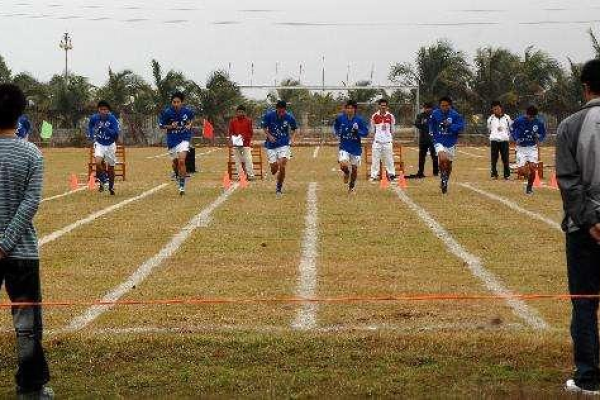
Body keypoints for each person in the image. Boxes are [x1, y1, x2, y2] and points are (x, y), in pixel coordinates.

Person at [0, 84, 53, 399]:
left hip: (10, 248)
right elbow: (30, 203)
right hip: (22, 253)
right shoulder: (32, 153)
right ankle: (30, 388)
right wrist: (6, 243)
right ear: (20, 113)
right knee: (27, 324)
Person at [556, 58, 600, 396]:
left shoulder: (571, 125)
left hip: (583, 230)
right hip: (588, 225)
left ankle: (587, 377)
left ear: (585, 86)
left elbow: (569, 181)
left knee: (585, 301)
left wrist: (590, 220)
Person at [159, 92, 195, 195]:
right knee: (175, 163)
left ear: (182, 102)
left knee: (182, 161)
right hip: (172, 140)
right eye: (174, 102)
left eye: (178, 102)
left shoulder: (187, 111)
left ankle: (182, 187)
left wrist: (189, 125)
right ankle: (176, 173)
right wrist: (171, 126)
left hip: (184, 138)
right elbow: (161, 125)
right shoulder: (167, 112)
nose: (176, 104)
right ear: (171, 102)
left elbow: (192, 119)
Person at [261, 100, 298, 197]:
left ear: (285, 109)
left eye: (283, 111)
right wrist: (269, 136)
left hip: (284, 143)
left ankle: (279, 188)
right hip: (271, 145)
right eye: (280, 110)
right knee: (274, 170)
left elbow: (295, 129)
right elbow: (264, 127)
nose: (282, 113)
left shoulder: (289, 116)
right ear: (276, 109)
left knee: (283, 164)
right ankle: (274, 165)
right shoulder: (269, 115)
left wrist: (292, 139)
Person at [430, 96, 465, 194]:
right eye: (442, 106)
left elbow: (461, 126)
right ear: (439, 105)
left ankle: (444, 181)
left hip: (450, 142)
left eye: (446, 106)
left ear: (450, 106)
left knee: (449, 164)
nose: (444, 107)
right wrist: (431, 133)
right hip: (438, 140)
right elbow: (431, 125)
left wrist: (450, 126)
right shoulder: (435, 113)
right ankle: (443, 176)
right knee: (442, 158)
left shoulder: (455, 115)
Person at [333, 100, 369, 193]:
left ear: (355, 109)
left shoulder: (359, 120)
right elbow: (336, 126)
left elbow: (366, 132)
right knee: (343, 163)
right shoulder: (341, 118)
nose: (349, 110)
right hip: (344, 146)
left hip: (356, 148)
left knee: (355, 168)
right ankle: (346, 173)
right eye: (348, 108)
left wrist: (357, 131)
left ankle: (351, 187)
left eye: (352, 108)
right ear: (345, 109)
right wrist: (337, 133)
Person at [512, 105, 546, 195]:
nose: (531, 119)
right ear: (526, 114)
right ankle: (525, 174)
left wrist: (539, 136)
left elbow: (543, 134)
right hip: (521, 149)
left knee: (533, 167)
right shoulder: (518, 121)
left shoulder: (539, 122)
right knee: (521, 171)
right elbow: (512, 129)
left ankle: (529, 187)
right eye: (529, 116)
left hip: (532, 148)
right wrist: (516, 138)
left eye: (533, 117)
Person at [87, 101, 120, 195]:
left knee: (111, 167)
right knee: (97, 162)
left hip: (110, 144)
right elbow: (90, 125)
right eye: (101, 109)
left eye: (105, 109)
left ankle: (111, 186)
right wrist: (91, 134)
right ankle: (104, 179)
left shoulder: (112, 119)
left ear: (108, 111)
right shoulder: (95, 118)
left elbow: (116, 134)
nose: (103, 111)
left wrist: (105, 128)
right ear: (98, 110)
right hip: (100, 143)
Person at [369, 99, 396, 182]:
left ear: (387, 107)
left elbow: (393, 129)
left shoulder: (390, 116)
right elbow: (372, 129)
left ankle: (391, 175)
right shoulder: (374, 116)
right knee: (375, 159)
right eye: (382, 105)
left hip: (387, 142)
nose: (383, 107)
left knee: (389, 159)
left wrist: (390, 138)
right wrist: (374, 138)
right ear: (379, 106)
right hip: (377, 142)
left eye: (385, 105)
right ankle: (374, 175)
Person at [228, 105, 255, 181]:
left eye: (242, 112)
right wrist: (233, 139)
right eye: (238, 112)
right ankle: (241, 176)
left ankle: (251, 175)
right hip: (236, 144)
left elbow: (251, 133)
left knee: (248, 159)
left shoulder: (248, 121)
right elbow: (230, 132)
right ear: (236, 112)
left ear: (244, 112)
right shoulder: (232, 121)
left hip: (246, 144)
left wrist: (244, 138)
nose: (240, 113)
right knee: (237, 161)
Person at [487, 101, 513, 180]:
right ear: (492, 110)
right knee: (494, 159)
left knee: (505, 158)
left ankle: (507, 175)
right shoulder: (490, 119)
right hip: (494, 140)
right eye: (494, 109)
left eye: (497, 109)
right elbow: (489, 129)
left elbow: (510, 128)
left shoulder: (507, 118)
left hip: (504, 141)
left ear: (501, 108)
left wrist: (506, 136)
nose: (496, 110)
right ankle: (494, 174)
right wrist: (494, 135)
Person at [414, 102, 438, 178]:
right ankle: (420, 172)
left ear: (431, 108)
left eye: (429, 108)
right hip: (423, 139)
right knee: (421, 156)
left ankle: (436, 172)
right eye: (425, 108)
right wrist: (422, 123)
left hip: (433, 139)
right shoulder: (420, 116)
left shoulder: (435, 116)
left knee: (434, 156)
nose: (427, 109)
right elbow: (417, 124)